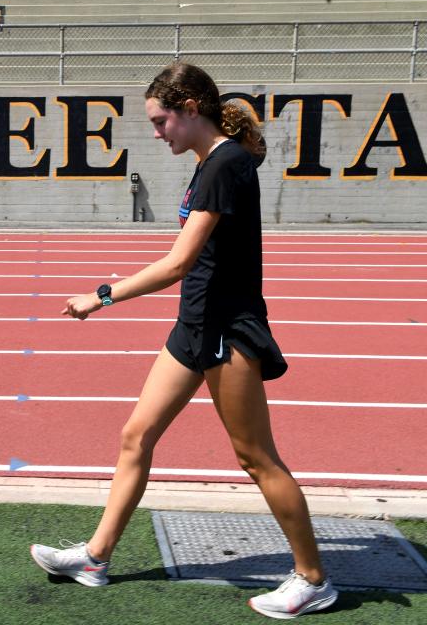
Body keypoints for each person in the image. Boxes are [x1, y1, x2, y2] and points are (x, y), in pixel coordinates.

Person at [29, 62, 338, 620]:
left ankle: (313, 578)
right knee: (136, 436)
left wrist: (101, 296)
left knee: (256, 458)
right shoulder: (208, 164)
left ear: (190, 108)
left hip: (227, 331)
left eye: (160, 120)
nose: (156, 133)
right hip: (193, 327)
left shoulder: (227, 165)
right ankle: (96, 558)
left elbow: (178, 264)